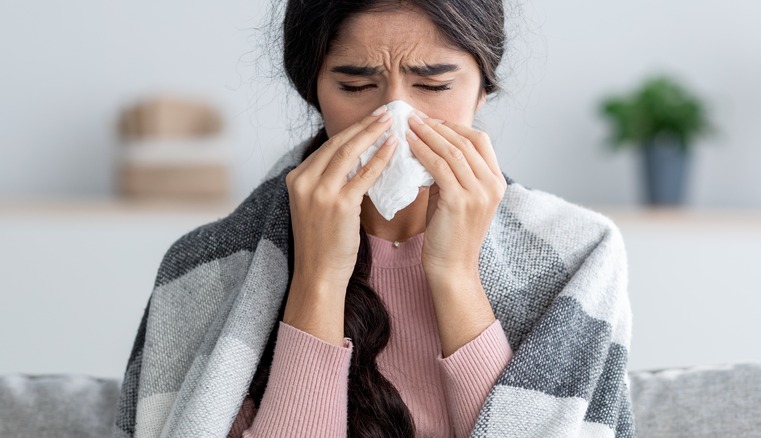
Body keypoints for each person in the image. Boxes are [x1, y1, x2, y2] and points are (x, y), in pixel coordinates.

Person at [112, 1, 636, 437]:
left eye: (432, 85)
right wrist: (317, 279)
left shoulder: (579, 256)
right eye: (356, 86)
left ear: (482, 88)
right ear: (314, 91)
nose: (395, 117)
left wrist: (455, 274)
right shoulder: (204, 270)